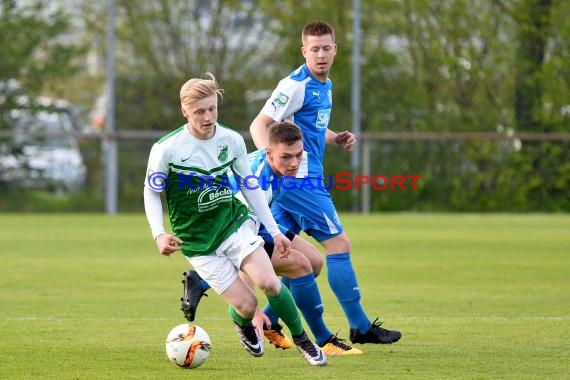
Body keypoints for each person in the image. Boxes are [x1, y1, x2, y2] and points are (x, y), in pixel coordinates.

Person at [143, 73, 326, 366]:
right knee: (247, 304)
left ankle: (304, 340)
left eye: (212, 108)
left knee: (269, 281)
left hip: (234, 224)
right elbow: (151, 192)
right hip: (197, 242)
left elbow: (249, 187)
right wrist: (158, 233)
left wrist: (275, 231)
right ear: (185, 111)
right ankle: (244, 326)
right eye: (200, 111)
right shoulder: (167, 148)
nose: (208, 116)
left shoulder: (230, 140)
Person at [249, 21, 401, 345]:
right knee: (338, 245)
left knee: (299, 262)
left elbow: (310, 127)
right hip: (299, 180)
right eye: (314, 49)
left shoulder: (325, 84)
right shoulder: (294, 85)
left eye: (326, 48)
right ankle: (359, 327)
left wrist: (335, 138)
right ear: (303, 51)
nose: (320, 55)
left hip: (302, 176)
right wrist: (272, 163)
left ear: (335, 49)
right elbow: (260, 124)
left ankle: (267, 321)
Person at [182, 121, 363, 356]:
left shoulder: (272, 165)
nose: (294, 163)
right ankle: (324, 339)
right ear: (269, 152)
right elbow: (242, 244)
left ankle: (271, 320)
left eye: (298, 155)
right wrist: (254, 310)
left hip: (256, 222)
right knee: (300, 266)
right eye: (286, 157)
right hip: (233, 228)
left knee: (315, 261)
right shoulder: (257, 178)